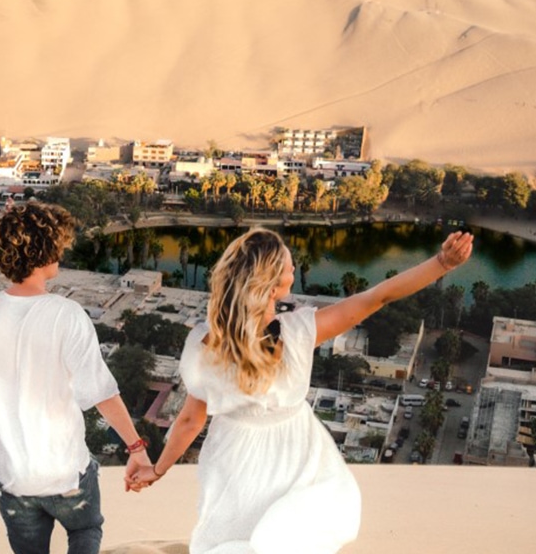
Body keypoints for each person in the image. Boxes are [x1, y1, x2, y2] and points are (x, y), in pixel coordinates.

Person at [130, 228, 474, 553]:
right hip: (298, 452)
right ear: (272, 285)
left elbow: (191, 420)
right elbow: (377, 297)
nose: (294, 265)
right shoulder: (301, 331)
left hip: (232, 458)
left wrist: (158, 470)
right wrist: (441, 264)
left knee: (235, 538)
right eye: (286, 263)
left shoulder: (203, 344)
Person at [0, 201, 152, 554]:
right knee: (86, 529)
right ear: (44, 251)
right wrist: (136, 448)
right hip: (64, 473)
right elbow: (101, 393)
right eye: (58, 244)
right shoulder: (67, 315)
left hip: (13, 479)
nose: (62, 251)